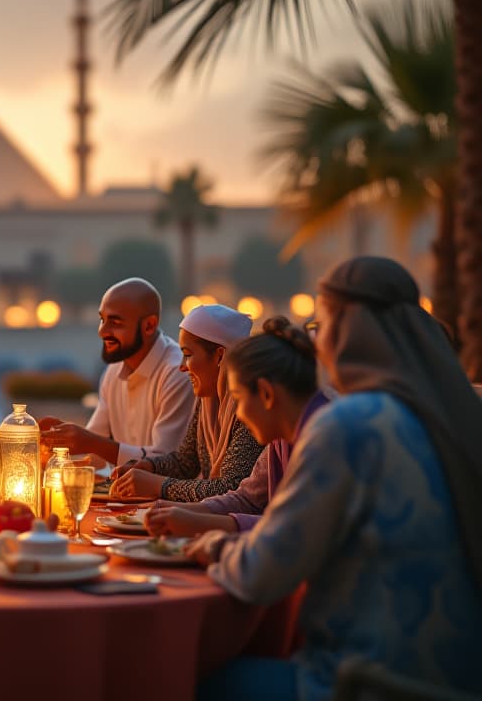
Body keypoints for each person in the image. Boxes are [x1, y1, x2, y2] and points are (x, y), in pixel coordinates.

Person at [189, 257, 482, 700]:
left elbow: (261, 575)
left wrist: (209, 544)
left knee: (191, 681)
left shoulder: (350, 425)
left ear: (348, 332)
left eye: (321, 326)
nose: (317, 345)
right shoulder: (459, 417)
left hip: (368, 683)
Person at [144, 317, 328, 537]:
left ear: (266, 393)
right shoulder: (281, 439)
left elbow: (297, 530)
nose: (238, 413)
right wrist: (180, 512)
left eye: (238, 398)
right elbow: (246, 498)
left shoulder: (325, 439)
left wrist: (202, 525)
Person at [111, 303, 262, 502]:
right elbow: (186, 461)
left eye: (188, 355)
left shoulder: (249, 407)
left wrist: (158, 485)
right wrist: (148, 466)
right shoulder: (207, 400)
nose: (182, 367)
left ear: (219, 356)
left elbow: (230, 489)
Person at [40, 278, 195, 470]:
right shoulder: (113, 372)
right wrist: (61, 440)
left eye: (115, 322)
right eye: (102, 320)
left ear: (149, 325)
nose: (102, 331)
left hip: (171, 499)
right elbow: (95, 455)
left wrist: (89, 441)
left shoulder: (177, 373)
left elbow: (166, 462)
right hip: (126, 497)